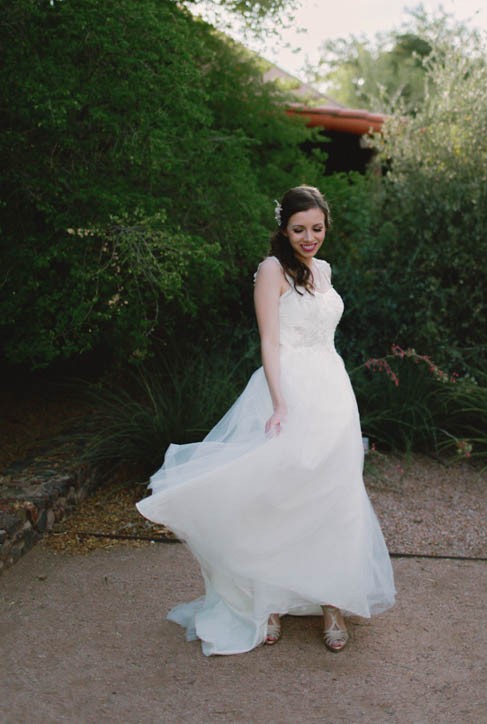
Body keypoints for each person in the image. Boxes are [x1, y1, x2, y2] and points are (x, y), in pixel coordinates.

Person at [136, 185, 395, 656]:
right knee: (279, 494)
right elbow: (270, 342)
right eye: (299, 229)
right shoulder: (271, 270)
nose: (309, 237)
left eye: (317, 228)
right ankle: (268, 599)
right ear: (284, 229)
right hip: (288, 387)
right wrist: (279, 403)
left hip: (333, 390)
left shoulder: (325, 270)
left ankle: (332, 604)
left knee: (336, 492)